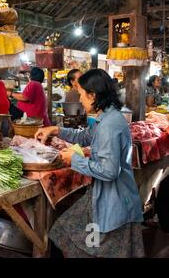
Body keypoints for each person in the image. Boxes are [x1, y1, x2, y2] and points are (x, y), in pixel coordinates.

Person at [35, 69, 144, 258]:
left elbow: (109, 171)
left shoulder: (109, 125)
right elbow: (86, 136)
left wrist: (74, 160)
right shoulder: (107, 117)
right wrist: (56, 130)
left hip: (113, 202)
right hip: (106, 197)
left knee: (74, 237)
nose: (80, 99)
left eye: (81, 94)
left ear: (93, 95)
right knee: (66, 233)